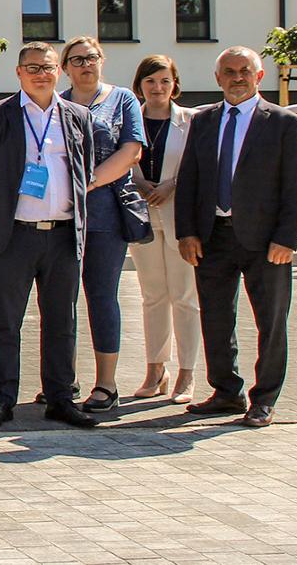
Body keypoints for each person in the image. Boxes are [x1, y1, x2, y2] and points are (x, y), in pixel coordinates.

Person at [0, 43, 100, 430]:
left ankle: (60, 398)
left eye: (48, 67)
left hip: (62, 237)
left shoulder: (77, 116)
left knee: (62, 321)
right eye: (33, 67)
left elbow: (85, 170)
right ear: (19, 72)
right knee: (5, 321)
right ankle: (2, 398)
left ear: (59, 71)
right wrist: (0, 210)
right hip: (15, 236)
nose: (42, 74)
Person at [176, 47, 297, 428]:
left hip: (266, 242)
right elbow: (189, 181)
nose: (237, 78)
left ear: (259, 76)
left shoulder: (282, 123)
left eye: (244, 71)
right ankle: (226, 392)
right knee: (216, 317)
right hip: (212, 236)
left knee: (271, 321)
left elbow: (296, 187)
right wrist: (187, 232)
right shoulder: (203, 121)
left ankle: (264, 399)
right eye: (229, 72)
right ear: (217, 78)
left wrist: (287, 238)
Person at [58, 36, 145, 412]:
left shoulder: (122, 99)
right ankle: (63, 379)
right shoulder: (56, 103)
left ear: (102, 60)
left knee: (101, 296)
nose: (84, 65)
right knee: (60, 300)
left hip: (105, 213)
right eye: (76, 60)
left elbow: (131, 151)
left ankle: (106, 383)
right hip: (61, 214)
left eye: (91, 57)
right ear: (65, 68)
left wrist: (88, 183)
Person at [129, 54, 200, 404]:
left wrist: (170, 184)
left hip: (178, 217)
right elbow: (123, 159)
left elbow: (199, 166)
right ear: (139, 85)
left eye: (164, 82)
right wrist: (141, 185)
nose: (157, 88)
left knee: (184, 296)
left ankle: (187, 373)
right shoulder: (130, 120)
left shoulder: (192, 121)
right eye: (150, 82)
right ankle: (156, 369)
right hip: (142, 215)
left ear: (175, 85)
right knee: (152, 295)